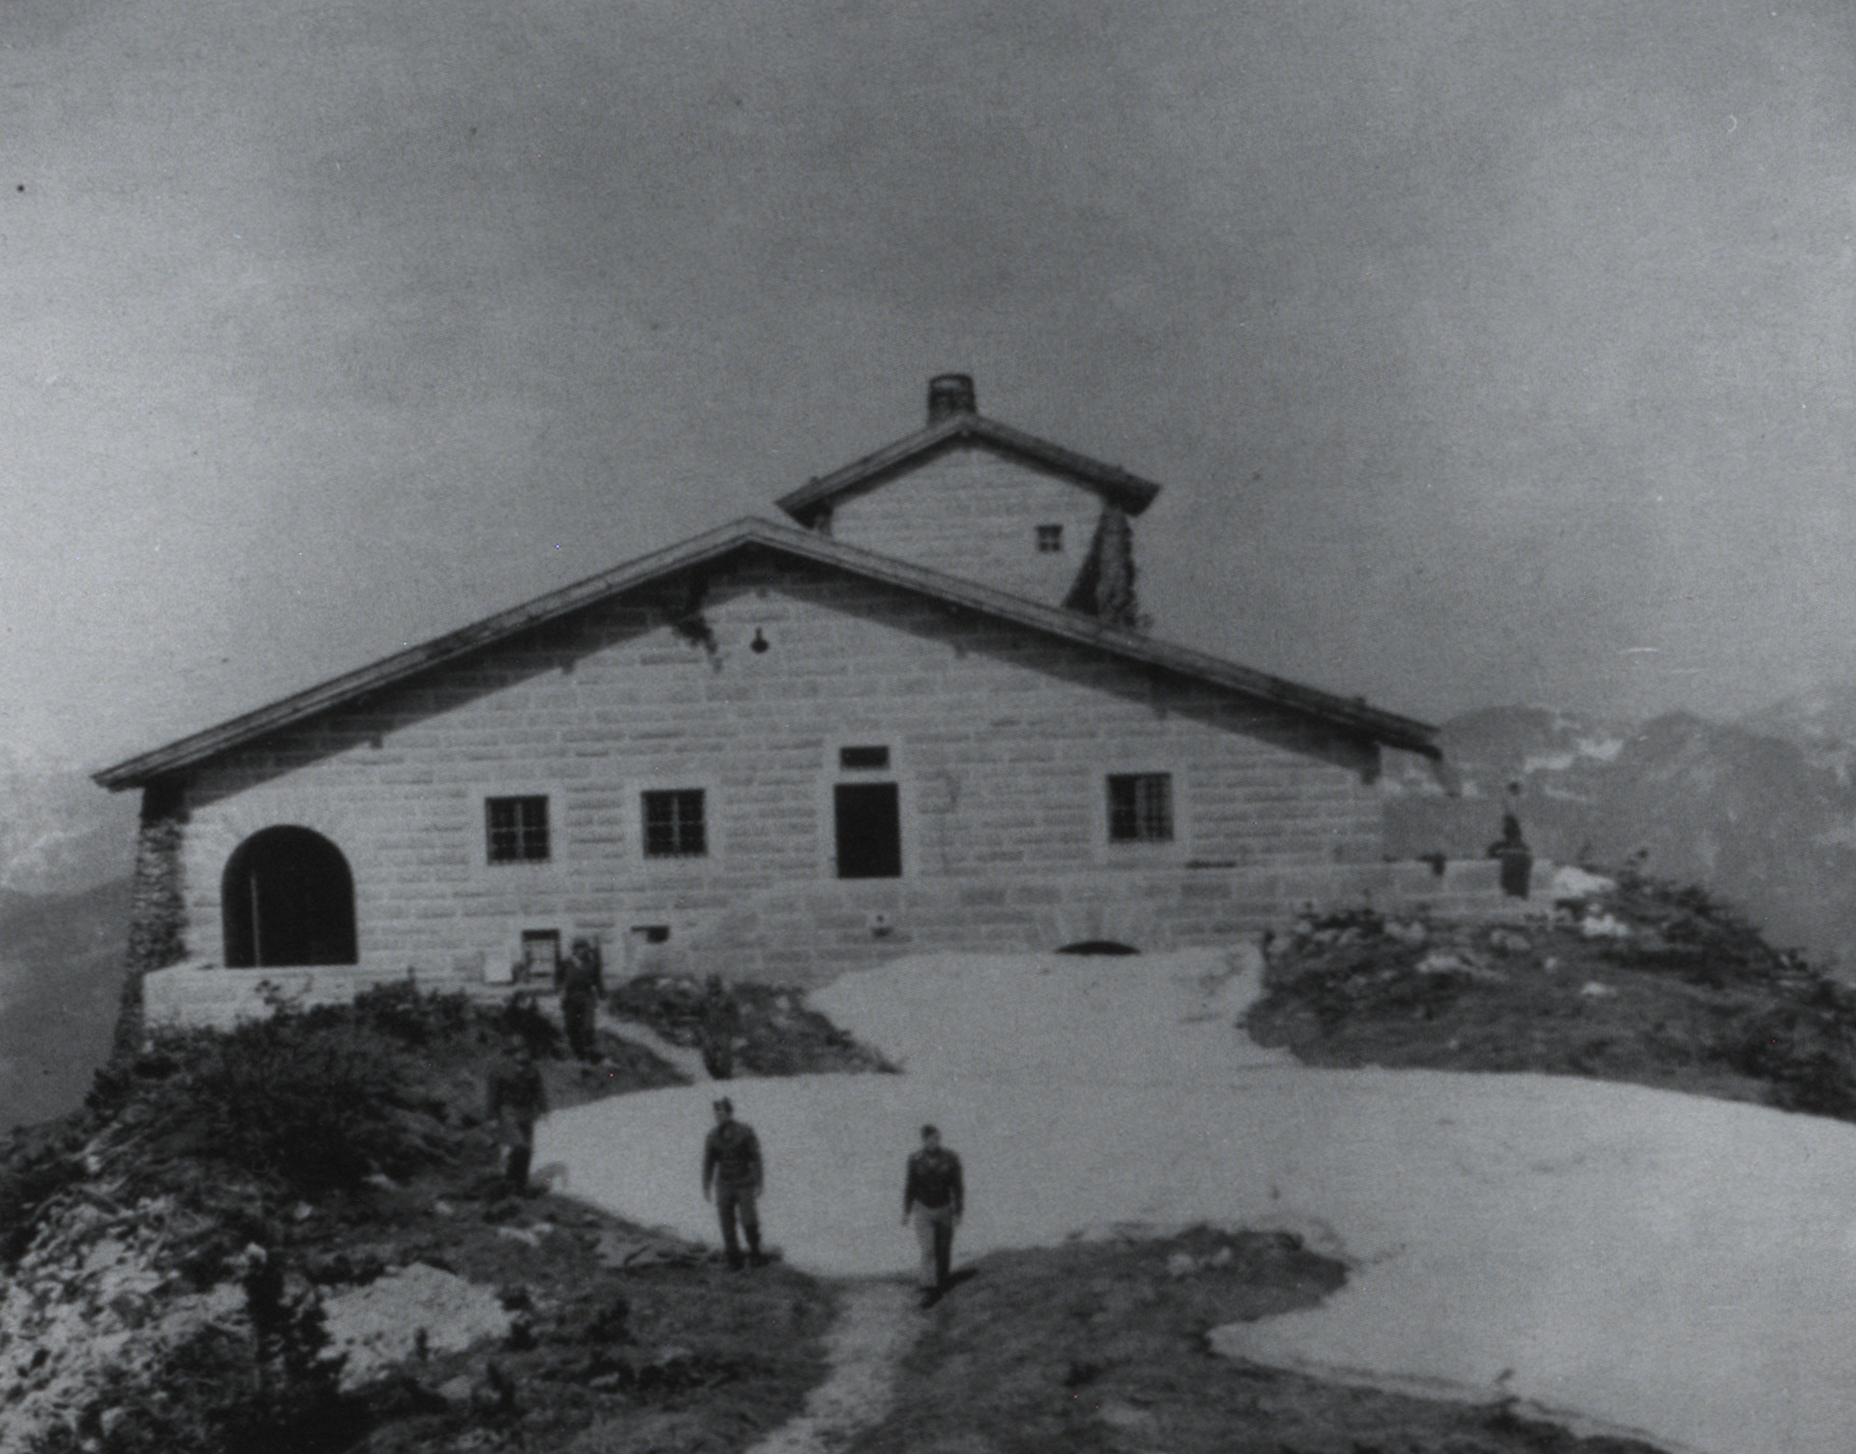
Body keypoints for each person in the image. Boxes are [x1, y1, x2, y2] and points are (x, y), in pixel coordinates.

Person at [902, 1124, 964, 1302]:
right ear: (924, 1140)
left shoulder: (950, 1159)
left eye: (937, 1138)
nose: (934, 1142)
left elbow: (958, 1187)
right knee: (928, 1249)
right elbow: (910, 1186)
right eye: (930, 1139)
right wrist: (906, 1211)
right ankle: (929, 1288)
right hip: (923, 1209)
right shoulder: (915, 1160)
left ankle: (942, 1282)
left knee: (943, 1250)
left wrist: (958, 1211)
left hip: (945, 1209)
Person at [701, 1097, 764, 1270]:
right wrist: (706, 1185)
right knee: (726, 1221)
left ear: (730, 1113)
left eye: (721, 1112)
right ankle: (734, 1259)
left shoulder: (745, 1132)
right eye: (716, 1113)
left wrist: (759, 1182)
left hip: (744, 1182)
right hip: (724, 1183)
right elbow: (709, 1162)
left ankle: (755, 1253)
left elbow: (756, 1158)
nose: (718, 1116)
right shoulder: (712, 1136)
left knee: (748, 1220)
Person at [486, 1036, 548, 1197]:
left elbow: (538, 1089)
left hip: (526, 1112)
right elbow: (493, 1095)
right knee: (519, 1146)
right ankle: (508, 1181)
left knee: (527, 1149)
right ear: (512, 1053)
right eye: (520, 1051)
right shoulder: (500, 1070)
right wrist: (491, 1116)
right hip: (509, 1111)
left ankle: (520, 1184)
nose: (524, 1054)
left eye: (526, 1051)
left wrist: (543, 1108)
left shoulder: (532, 1069)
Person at [558, 938, 606, 1062]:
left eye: (585, 948)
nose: (583, 951)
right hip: (570, 998)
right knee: (571, 1026)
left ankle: (590, 1052)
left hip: (587, 997)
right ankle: (577, 1052)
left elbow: (597, 981)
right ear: (574, 950)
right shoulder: (566, 963)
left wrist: (602, 994)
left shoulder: (591, 964)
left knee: (588, 1026)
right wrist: (560, 993)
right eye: (580, 948)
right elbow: (558, 979)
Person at [699, 973, 741, 1080]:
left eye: (714, 985)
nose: (712, 988)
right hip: (709, 1029)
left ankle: (726, 1074)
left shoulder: (727, 998)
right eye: (710, 985)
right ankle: (715, 1074)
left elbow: (734, 1014)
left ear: (718, 985)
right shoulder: (704, 999)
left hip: (723, 1029)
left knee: (725, 1053)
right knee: (708, 1054)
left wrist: (735, 1028)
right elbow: (699, 1014)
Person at [1487, 810, 1534, 899]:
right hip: (1517, 885)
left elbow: (1492, 853)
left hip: (1513, 884)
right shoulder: (1522, 848)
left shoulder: (1509, 847)